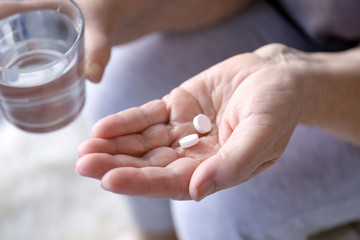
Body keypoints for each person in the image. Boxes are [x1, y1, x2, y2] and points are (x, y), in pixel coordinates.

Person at [75, 0, 360, 239]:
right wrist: (106, 10)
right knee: (117, 91)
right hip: (291, 18)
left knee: (216, 207)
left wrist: (306, 84)